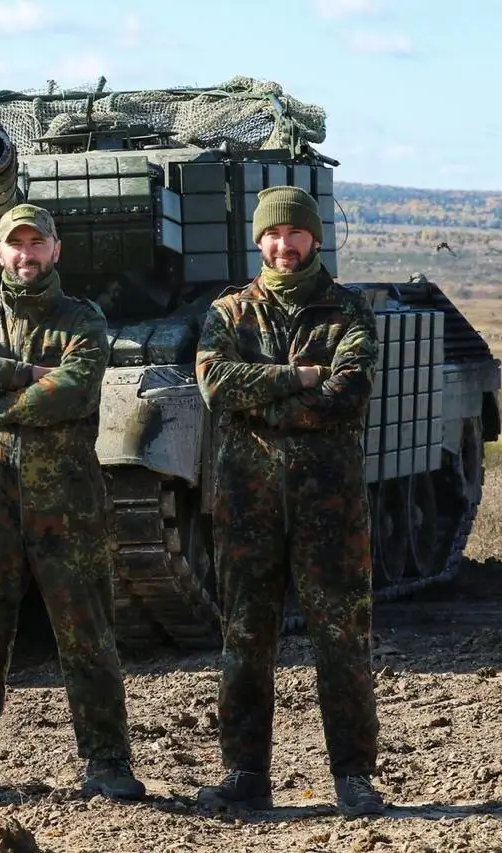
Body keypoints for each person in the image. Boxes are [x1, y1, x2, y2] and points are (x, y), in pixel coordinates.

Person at [0, 203, 145, 802]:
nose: (26, 254)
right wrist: (28, 371)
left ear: (56, 250)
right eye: (15, 244)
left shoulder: (82, 319)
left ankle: (107, 760)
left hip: (65, 502)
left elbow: (75, 390)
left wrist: (4, 409)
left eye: (36, 243)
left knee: (85, 631)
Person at [194, 185, 385, 817]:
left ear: (314, 237)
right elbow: (217, 385)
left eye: (294, 233)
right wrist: (298, 378)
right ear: (260, 239)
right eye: (273, 234)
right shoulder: (229, 313)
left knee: (342, 637)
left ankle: (353, 776)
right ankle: (247, 773)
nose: (284, 245)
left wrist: (267, 401)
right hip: (248, 503)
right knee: (246, 637)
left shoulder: (346, 312)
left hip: (328, 505)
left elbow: (348, 393)